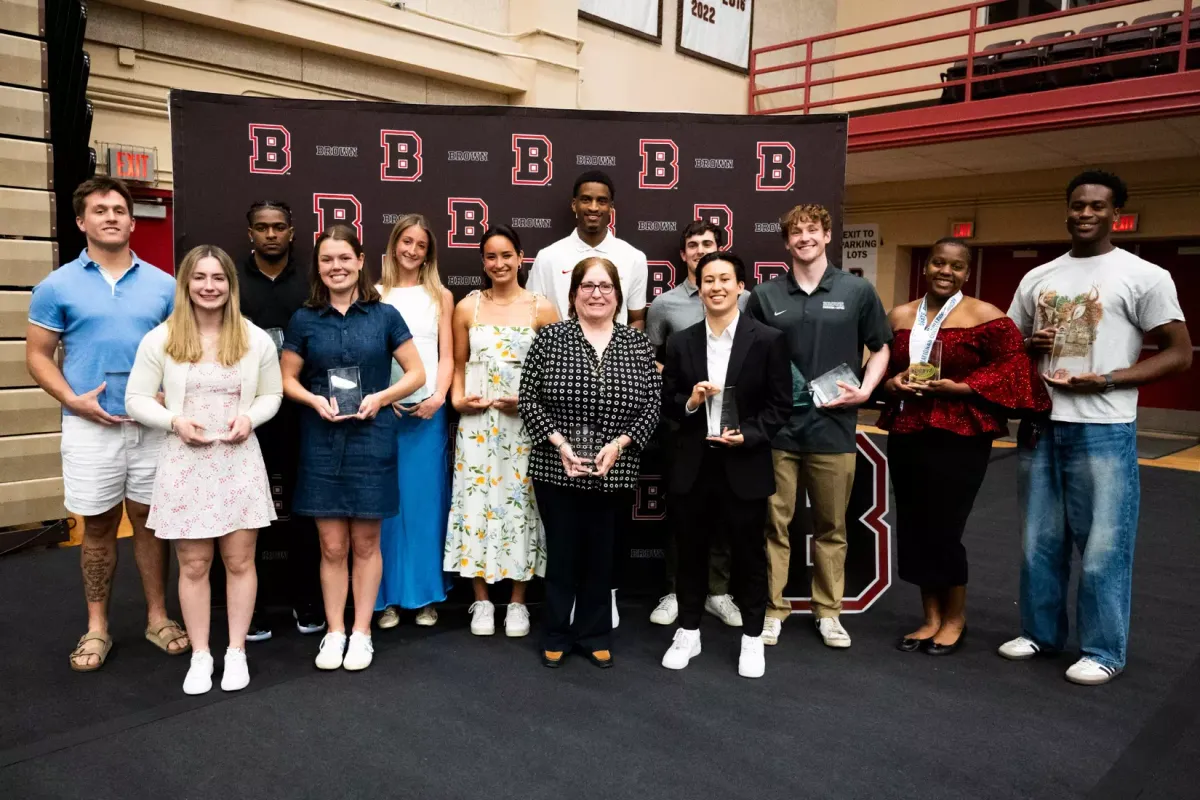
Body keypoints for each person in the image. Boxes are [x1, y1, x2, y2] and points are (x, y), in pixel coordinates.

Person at [1001, 170, 1191, 685]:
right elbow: (1010, 348)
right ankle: (1040, 633)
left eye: (1097, 207)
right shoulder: (1038, 277)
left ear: (1116, 214)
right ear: (1066, 210)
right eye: (1078, 205)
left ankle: (1104, 650)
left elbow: (1178, 354)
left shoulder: (1143, 275)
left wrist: (1109, 379)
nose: (1086, 213)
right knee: (1038, 541)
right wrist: (1028, 348)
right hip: (1041, 424)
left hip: (1103, 427)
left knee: (1104, 545)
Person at [26, 176, 186, 672]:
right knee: (96, 526)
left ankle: (158, 617)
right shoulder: (56, 286)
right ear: (81, 222)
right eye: (100, 210)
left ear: (133, 221)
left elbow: (182, 352)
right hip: (89, 426)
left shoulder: (164, 285)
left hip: (151, 428)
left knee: (150, 524)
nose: (112, 216)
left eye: (120, 209)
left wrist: (168, 392)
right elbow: (37, 355)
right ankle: (97, 627)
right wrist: (73, 399)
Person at [879, 238, 1049, 657]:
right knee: (915, 524)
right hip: (908, 430)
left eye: (955, 266)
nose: (945, 271)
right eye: (938, 262)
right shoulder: (899, 315)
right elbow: (879, 366)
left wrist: (964, 387)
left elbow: (1014, 368)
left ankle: (955, 618)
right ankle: (930, 617)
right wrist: (890, 383)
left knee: (945, 526)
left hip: (961, 433)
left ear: (966, 273)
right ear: (926, 266)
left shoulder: (987, 316)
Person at [126, 245, 282, 694]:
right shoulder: (162, 339)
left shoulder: (254, 339)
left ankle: (235, 651)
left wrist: (250, 418)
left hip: (237, 458)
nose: (209, 286)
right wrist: (174, 421)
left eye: (218, 278)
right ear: (186, 284)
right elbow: (135, 399)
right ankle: (200, 654)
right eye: (200, 278)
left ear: (230, 285)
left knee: (239, 561)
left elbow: (271, 396)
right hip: (185, 460)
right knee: (193, 564)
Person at [281, 225, 426, 672]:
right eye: (327, 260)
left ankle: (361, 632)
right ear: (318, 267)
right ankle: (335, 631)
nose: (336, 267)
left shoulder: (384, 316)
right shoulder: (305, 319)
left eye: (345, 258)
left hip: (372, 436)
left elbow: (416, 374)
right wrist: (313, 400)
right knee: (330, 545)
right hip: (322, 439)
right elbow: (286, 380)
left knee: (366, 543)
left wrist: (381, 397)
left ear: (361, 261)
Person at [747, 203, 892, 649]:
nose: (805, 238)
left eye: (813, 230)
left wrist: (866, 391)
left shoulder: (856, 290)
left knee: (832, 526)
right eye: (796, 232)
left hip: (834, 429)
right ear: (786, 242)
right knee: (775, 525)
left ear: (828, 235)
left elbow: (881, 346)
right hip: (779, 432)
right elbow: (749, 357)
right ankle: (772, 610)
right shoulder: (765, 295)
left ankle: (829, 612)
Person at [519, 256, 661, 669]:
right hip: (555, 467)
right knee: (562, 554)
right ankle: (557, 633)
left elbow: (652, 405)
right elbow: (529, 400)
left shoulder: (636, 343)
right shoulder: (551, 339)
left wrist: (620, 444)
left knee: (603, 556)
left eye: (605, 286)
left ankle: (595, 633)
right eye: (588, 286)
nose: (597, 294)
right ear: (574, 293)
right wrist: (559, 444)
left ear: (618, 295)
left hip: (615, 468)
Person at [658, 252, 791, 678]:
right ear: (698, 287)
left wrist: (748, 435)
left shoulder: (767, 339)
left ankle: (752, 639)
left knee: (750, 557)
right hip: (693, 465)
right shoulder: (682, 341)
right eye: (707, 279)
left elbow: (779, 406)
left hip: (744, 463)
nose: (715, 286)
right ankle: (689, 630)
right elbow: (668, 401)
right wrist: (692, 403)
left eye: (724, 279)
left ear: (739, 287)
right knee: (691, 554)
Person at [444, 226, 558, 637]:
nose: (499, 264)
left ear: (520, 257)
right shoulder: (467, 307)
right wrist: (457, 401)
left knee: (523, 507)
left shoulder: (541, 309)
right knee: (475, 508)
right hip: (476, 428)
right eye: (491, 257)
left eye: (506, 255)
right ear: (483, 262)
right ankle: (480, 601)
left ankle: (518, 604)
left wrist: (527, 403)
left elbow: (554, 374)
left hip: (524, 428)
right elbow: (457, 365)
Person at [644, 219, 746, 628]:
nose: (700, 249)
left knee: (724, 509)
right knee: (681, 511)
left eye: (708, 243)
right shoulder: (666, 305)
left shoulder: (745, 298)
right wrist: (687, 388)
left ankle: (718, 592)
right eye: (693, 245)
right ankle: (674, 590)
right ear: (683, 254)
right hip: (683, 422)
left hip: (730, 422)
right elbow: (649, 357)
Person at [237, 200, 325, 641]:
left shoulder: (312, 281)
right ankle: (248, 608)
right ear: (249, 233)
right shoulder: (230, 281)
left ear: (292, 232)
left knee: (304, 510)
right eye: (261, 227)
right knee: (247, 513)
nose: (270, 234)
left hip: (303, 413)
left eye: (278, 227)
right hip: (244, 417)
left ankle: (307, 599)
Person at [373, 214, 455, 630]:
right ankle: (384, 599)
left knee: (424, 506)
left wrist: (439, 398)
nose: (411, 250)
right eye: (406, 241)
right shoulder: (373, 293)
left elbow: (446, 356)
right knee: (386, 508)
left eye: (420, 245)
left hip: (427, 414)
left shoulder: (440, 295)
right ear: (394, 244)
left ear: (429, 252)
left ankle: (424, 596)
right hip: (385, 414)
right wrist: (381, 399)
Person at [527, 171, 648, 330]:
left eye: (602, 201)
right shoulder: (547, 257)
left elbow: (636, 319)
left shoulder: (633, 258)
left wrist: (624, 353)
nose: (593, 207)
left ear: (611, 208)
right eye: (586, 199)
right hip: (560, 352)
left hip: (614, 353)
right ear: (574, 204)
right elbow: (532, 316)